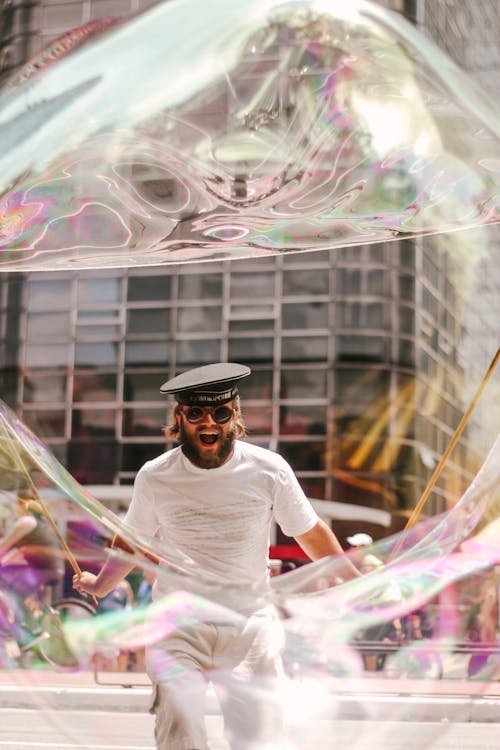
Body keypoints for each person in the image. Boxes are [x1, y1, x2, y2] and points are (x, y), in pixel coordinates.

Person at [73, 362, 359, 750]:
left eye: (220, 413)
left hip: (249, 624)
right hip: (178, 624)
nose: (209, 422)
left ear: (234, 417)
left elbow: (309, 532)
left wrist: (354, 580)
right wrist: (101, 583)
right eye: (196, 413)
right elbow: (133, 541)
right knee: (180, 729)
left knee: (258, 739)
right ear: (180, 418)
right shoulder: (155, 475)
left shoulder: (268, 469)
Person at [0, 494, 65, 644]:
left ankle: (32, 630)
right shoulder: (38, 523)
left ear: (22, 505)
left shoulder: (26, 521)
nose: (13, 509)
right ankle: (28, 625)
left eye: (15, 505)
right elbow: (13, 552)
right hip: (50, 569)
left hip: (43, 570)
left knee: (11, 589)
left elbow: (5, 545)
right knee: (9, 579)